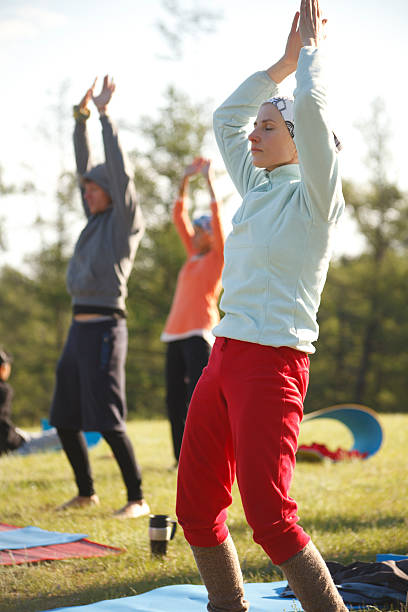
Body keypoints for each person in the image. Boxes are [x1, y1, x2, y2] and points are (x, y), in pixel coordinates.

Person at [176, 1, 348, 610]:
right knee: (195, 508)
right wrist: (280, 63)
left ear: (303, 141)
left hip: (273, 364)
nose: (254, 133)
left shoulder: (315, 199)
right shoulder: (257, 187)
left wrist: (309, 60)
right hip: (224, 356)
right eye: (259, 128)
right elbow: (227, 117)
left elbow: (311, 107)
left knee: (271, 517)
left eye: (268, 127)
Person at [49, 76, 150, 519]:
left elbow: (117, 170)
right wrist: (81, 119)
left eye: (92, 188)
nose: (85, 193)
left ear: (110, 192)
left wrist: (106, 117)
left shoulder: (121, 222)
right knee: (65, 417)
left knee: (108, 419)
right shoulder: (93, 218)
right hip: (78, 330)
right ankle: (87, 492)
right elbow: (85, 166)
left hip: (107, 329)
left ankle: (137, 498)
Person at [161, 157, 224, 463]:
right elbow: (178, 217)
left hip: (200, 333)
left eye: (201, 231)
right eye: (196, 231)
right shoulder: (192, 256)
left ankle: (204, 454)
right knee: (174, 400)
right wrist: (184, 180)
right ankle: (180, 458)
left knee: (196, 401)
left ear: (211, 235)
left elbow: (218, 217)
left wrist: (209, 181)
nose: (195, 235)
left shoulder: (217, 258)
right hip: (174, 334)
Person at [0, 350, 61, 456]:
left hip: (15, 436)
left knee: (35, 435)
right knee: (59, 436)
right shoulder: (4, 390)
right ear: (3, 368)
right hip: (13, 447)